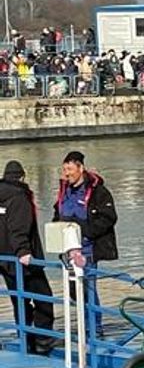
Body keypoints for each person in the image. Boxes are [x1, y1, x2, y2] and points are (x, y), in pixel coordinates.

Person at [53, 150, 117, 338]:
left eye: (70, 169)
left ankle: (94, 329)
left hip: (87, 250)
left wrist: (86, 232)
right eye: (64, 169)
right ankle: (83, 324)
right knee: (73, 291)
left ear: (81, 168)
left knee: (88, 289)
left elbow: (109, 217)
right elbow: (58, 213)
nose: (66, 174)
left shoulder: (98, 191)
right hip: (67, 251)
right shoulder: (64, 190)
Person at [0, 161, 55, 354]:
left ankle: (26, 337)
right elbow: (19, 227)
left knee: (19, 300)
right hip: (23, 260)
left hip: (5, 260)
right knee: (44, 298)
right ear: (22, 177)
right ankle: (43, 339)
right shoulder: (20, 196)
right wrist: (23, 251)